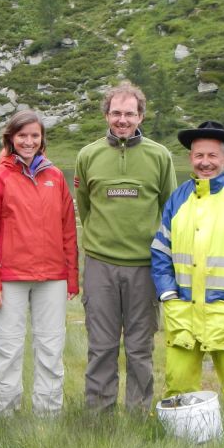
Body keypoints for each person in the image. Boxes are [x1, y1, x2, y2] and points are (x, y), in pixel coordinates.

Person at [151, 121, 224, 434]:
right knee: (178, 383)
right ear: (190, 158)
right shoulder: (177, 199)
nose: (205, 162)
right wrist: (168, 295)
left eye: (212, 155)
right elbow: (160, 251)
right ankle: (182, 442)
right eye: (199, 155)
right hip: (183, 312)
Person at [74, 81, 176, 411]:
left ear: (141, 116)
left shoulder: (160, 156)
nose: (122, 120)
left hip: (145, 267)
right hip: (100, 265)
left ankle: (138, 416)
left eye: (129, 113)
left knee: (139, 347)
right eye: (116, 112)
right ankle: (98, 418)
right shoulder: (87, 155)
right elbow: (85, 205)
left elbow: (169, 208)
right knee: (101, 346)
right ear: (106, 115)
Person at [0, 110, 79, 416]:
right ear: (10, 138)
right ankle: (4, 419)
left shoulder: (56, 177)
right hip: (10, 280)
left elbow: (68, 230)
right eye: (22, 136)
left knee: (51, 349)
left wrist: (71, 277)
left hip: (52, 278)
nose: (29, 141)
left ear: (42, 139)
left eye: (35, 136)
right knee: (7, 350)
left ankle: (48, 418)